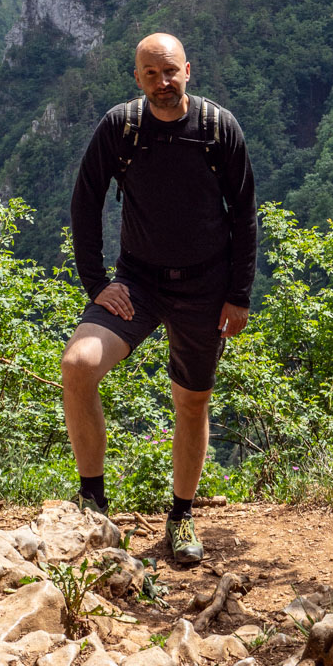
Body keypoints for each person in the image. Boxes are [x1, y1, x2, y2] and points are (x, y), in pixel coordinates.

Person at [61, 32, 257, 565]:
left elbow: (244, 214)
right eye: (152, 73)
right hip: (138, 282)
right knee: (78, 365)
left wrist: (237, 295)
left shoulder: (219, 129)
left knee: (191, 402)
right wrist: (98, 283)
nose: (163, 82)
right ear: (137, 77)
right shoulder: (121, 128)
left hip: (205, 286)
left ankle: (181, 516)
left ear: (188, 70)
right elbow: (85, 201)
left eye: (170, 71)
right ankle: (93, 502)